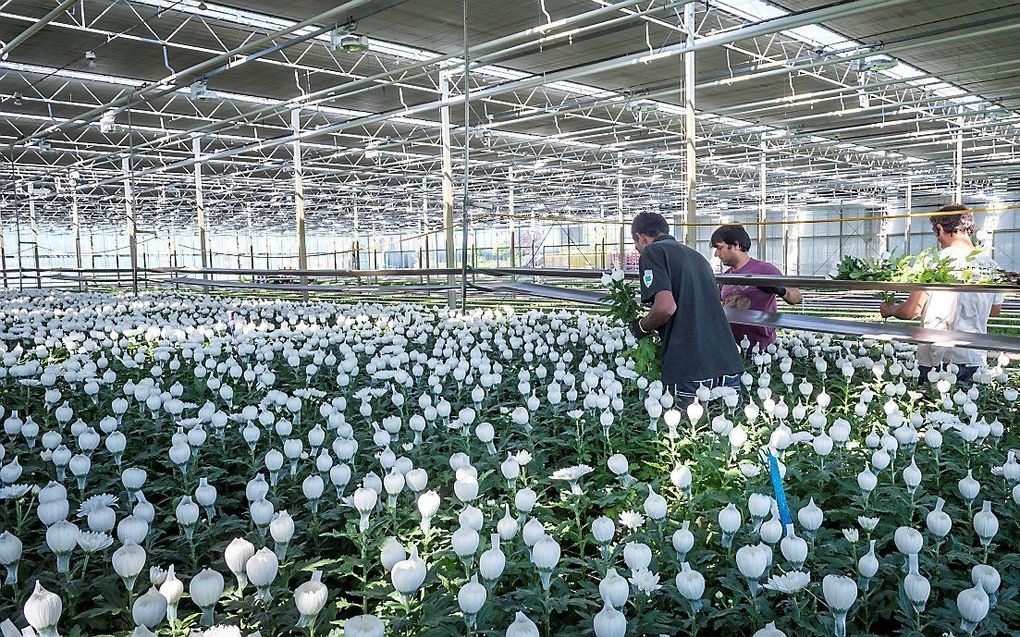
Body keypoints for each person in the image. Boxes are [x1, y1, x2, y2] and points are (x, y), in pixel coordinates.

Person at [628, 211, 745, 406]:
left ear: (641, 238)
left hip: (690, 365)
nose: (638, 249)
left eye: (637, 244)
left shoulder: (652, 252)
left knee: (686, 432)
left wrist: (641, 326)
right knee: (726, 427)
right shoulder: (695, 255)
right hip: (727, 362)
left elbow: (665, 307)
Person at [879, 204, 1003, 385]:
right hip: (975, 357)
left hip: (938, 359)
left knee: (934, 410)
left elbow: (910, 311)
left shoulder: (933, 262)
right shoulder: (991, 266)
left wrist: (890, 308)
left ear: (940, 229)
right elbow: (994, 311)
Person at [711, 225, 803, 353]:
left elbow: (797, 297)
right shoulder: (726, 277)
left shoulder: (765, 270)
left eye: (719, 248)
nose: (716, 254)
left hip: (761, 348)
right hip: (732, 348)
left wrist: (781, 290)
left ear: (737, 245)